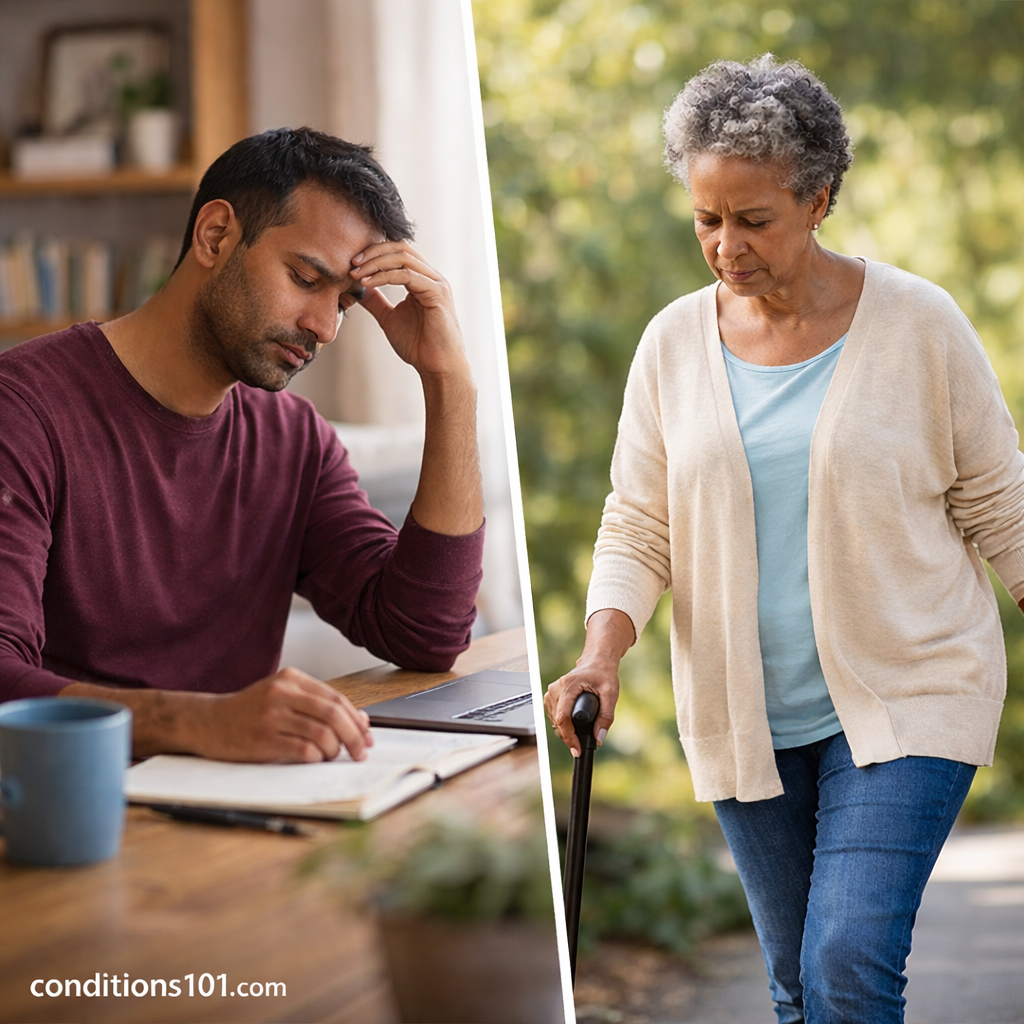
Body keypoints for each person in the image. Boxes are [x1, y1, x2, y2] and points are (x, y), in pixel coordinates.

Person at [545, 54, 1024, 1023]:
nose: (725, 246)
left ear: (819, 199)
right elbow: (639, 520)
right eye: (705, 220)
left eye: (752, 219)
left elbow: (1000, 506)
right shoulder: (672, 346)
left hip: (909, 692)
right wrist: (601, 652)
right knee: (799, 989)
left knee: (847, 958)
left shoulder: (919, 325)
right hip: (745, 715)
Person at [0, 127, 484, 765]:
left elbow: (425, 632)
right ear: (215, 236)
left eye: (345, 300)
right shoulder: (23, 410)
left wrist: (449, 382)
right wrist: (204, 723)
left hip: (238, 818)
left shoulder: (295, 442)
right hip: (68, 813)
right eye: (306, 278)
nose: (326, 327)